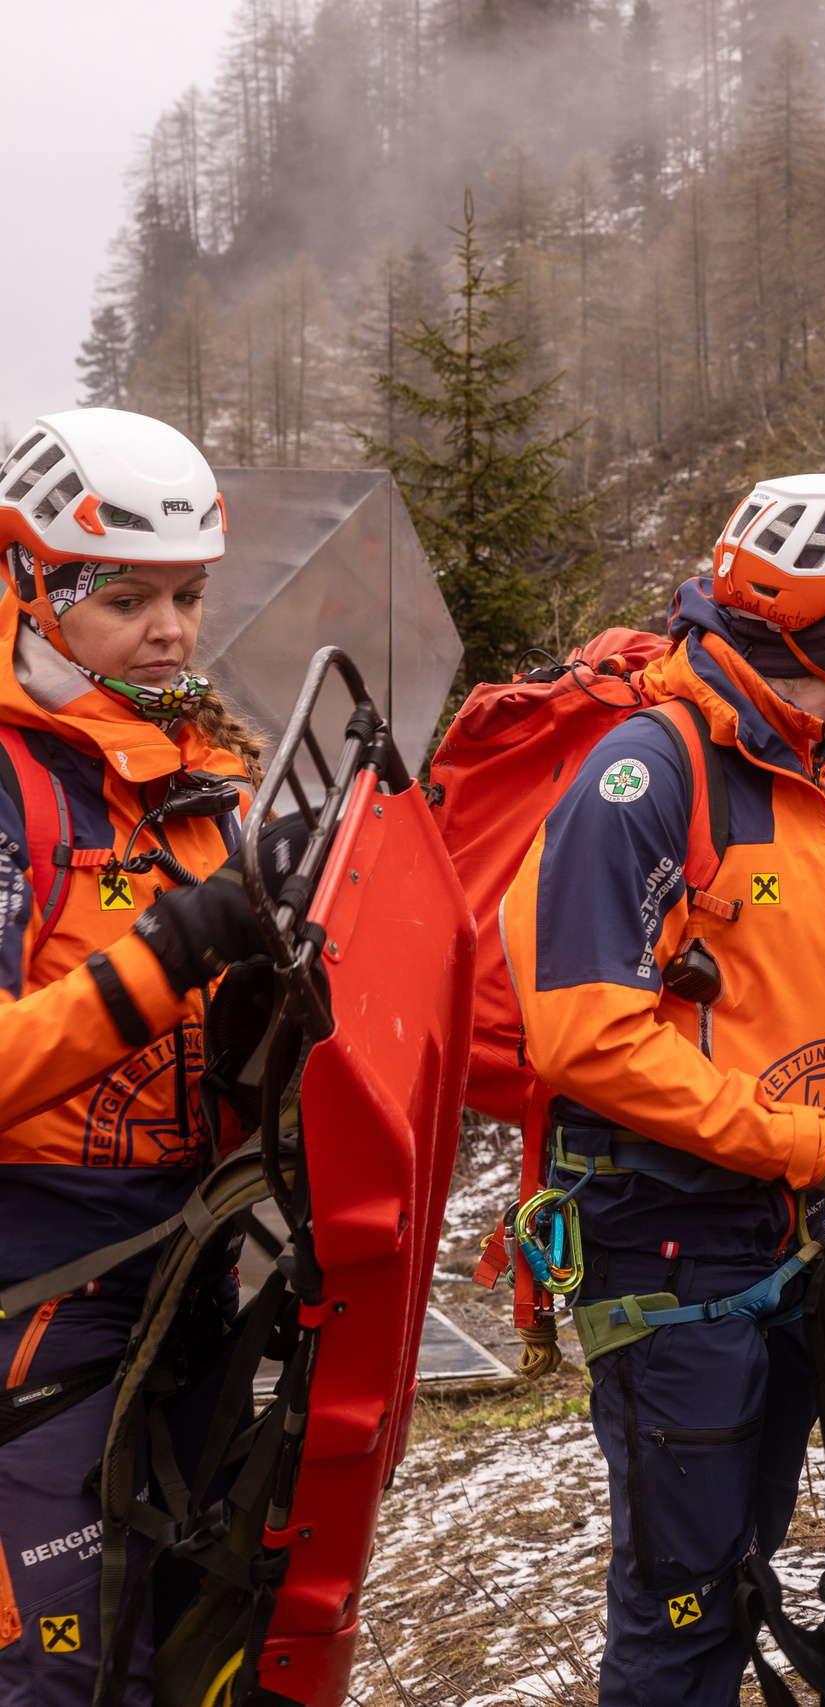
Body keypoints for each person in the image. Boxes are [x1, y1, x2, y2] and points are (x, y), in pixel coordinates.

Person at [503, 473, 825, 1707]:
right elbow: (586, 1036)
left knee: (747, 1565)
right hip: (665, 1241)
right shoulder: (650, 774)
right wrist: (808, 1145)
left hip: (789, 1228)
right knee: (684, 1600)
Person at [0, 408, 280, 1707]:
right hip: (38, 1283)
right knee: (62, 1666)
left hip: (195, 1271)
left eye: (188, 595)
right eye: (126, 599)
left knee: (195, 1651)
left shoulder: (199, 775)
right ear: (31, 585)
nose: (169, 630)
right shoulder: (16, 788)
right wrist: (169, 953)